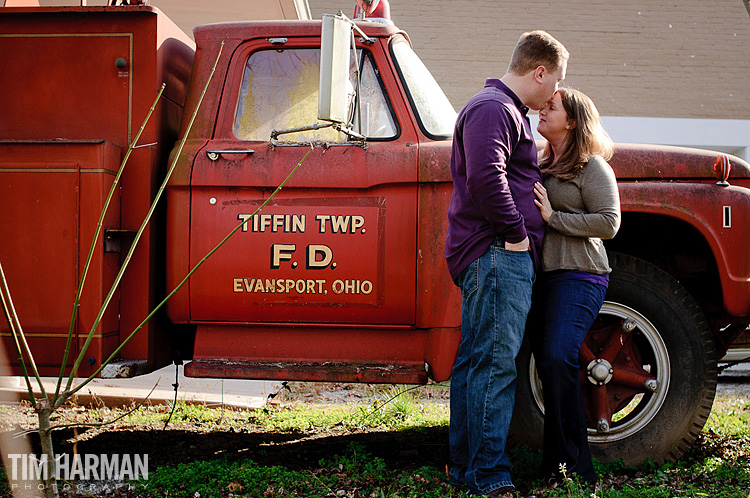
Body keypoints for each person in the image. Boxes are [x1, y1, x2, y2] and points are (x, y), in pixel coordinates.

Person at [444, 31, 569, 497]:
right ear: (539, 71)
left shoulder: (501, 110)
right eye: (555, 80)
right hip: (498, 253)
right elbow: (484, 175)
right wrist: (517, 234)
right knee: (495, 365)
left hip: (492, 252)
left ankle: (465, 469)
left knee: (478, 363)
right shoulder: (494, 108)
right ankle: (488, 476)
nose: (555, 92)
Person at [531, 88, 621, 485]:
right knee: (549, 369)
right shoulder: (541, 164)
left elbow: (609, 223)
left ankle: (575, 468)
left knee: (556, 357)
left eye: (552, 107)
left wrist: (554, 217)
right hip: (543, 278)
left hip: (580, 275)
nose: (543, 110)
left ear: (571, 121)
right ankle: (557, 466)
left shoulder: (592, 167)